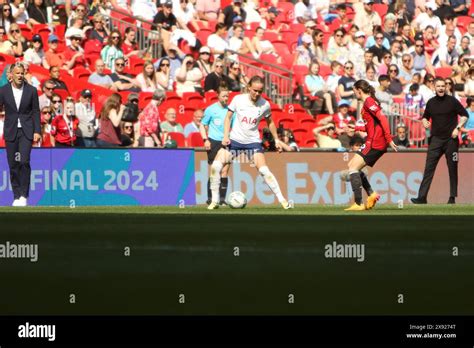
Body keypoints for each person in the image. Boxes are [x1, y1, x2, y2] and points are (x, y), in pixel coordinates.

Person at [207, 76, 292, 210]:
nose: (257, 94)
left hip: (252, 142)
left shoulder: (265, 104)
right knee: (216, 167)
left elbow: (270, 122)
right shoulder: (238, 99)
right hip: (234, 140)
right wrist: (225, 136)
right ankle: (215, 201)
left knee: (264, 170)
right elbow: (228, 118)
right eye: (255, 91)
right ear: (248, 88)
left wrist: (276, 140)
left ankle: (283, 201)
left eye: (260, 91)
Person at [411, 78, 469, 205]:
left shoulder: (453, 101)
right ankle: (422, 197)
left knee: (452, 169)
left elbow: (465, 115)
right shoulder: (431, 102)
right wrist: (425, 121)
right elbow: (425, 116)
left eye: (443, 86)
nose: (441, 88)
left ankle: (452, 197)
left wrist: (457, 128)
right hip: (435, 140)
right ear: (434, 87)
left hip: (451, 141)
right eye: (439, 86)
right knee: (428, 169)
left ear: (446, 87)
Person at [344, 79, 398, 211]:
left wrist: (389, 138)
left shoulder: (368, 101)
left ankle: (358, 203)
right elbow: (371, 126)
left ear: (359, 90)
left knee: (352, 168)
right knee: (354, 166)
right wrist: (356, 128)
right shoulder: (368, 103)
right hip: (373, 140)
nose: (354, 93)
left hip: (375, 142)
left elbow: (383, 118)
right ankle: (372, 194)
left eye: (354, 90)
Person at [0, 62, 41, 207]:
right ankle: (16, 195)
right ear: (11, 75)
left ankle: (24, 195)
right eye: (17, 73)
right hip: (11, 131)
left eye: (22, 73)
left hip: (26, 130)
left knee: (24, 161)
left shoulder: (31, 90)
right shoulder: (3, 91)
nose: (20, 76)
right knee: (13, 164)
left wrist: (37, 131)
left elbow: (36, 111)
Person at [200, 85, 231, 205]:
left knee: (225, 171)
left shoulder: (230, 110)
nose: (225, 98)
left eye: (227, 96)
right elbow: (202, 125)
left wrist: (228, 137)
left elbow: (232, 126)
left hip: (226, 142)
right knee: (215, 170)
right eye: (223, 96)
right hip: (214, 142)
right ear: (217, 96)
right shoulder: (210, 109)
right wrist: (205, 140)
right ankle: (210, 199)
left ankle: (222, 200)